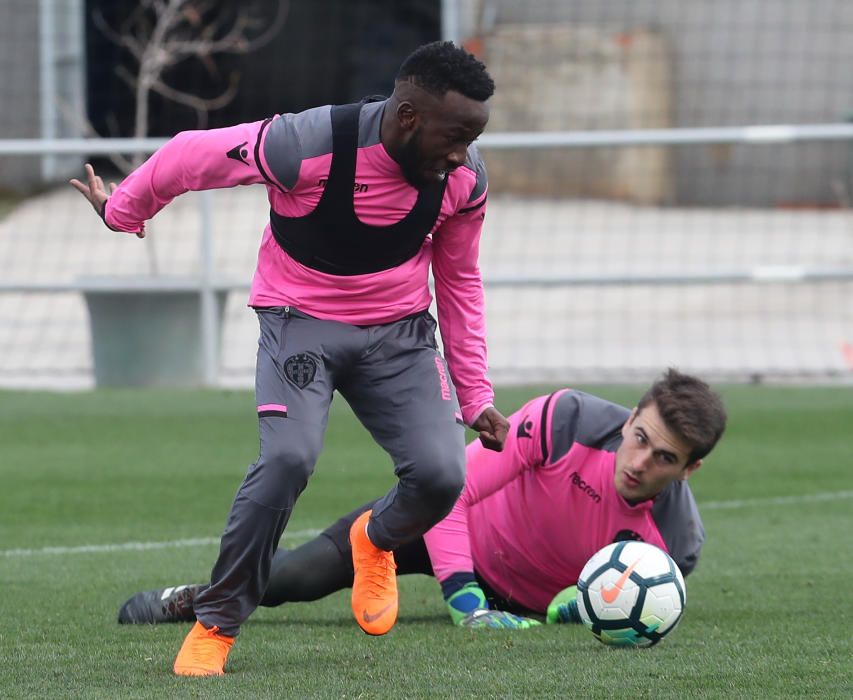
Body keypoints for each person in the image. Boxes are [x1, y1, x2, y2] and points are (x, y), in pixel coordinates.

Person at [71, 41, 509, 676]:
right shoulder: (304, 145)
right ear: (409, 116)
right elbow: (188, 157)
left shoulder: (462, 182)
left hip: (400, 334)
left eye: (473, 139)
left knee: (443, 476)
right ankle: (217, 623)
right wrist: (121, 211)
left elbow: (460, 282)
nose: (461, 154)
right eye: (455, 135)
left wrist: (476, 397)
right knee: (286, 459)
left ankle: (375, 539)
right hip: (300, 323)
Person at [118, 369, 727, 631]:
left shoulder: (676, 547)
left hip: (524, 605)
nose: (641, 462)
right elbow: (447, 495)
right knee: (291, 579)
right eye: (641, 439)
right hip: (449, 536)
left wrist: (570, 610)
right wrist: (465, 600)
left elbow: (606, 604)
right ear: (631, 420)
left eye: (665, 459)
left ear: (690, 469)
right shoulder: (564, 419)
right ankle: (196, 600)